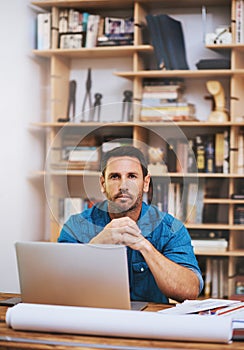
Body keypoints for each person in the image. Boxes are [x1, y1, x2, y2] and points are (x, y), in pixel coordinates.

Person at [58, 145, 203, 303]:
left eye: (132, 176)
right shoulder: (76, 226)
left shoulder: (170, 228)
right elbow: (58, 286)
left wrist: (144, 246)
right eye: (115, 177)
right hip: (92, 319)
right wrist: (96, 245)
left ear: (145, 183)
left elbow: (190, 291)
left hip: (147, 323)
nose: (123, 186)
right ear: (102, 184)